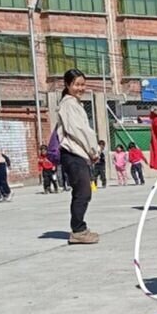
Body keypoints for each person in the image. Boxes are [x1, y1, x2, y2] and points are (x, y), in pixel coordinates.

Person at [56, 68, 100, 244]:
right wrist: (93, 150)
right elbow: (79, 131)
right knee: (82, 192)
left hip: (78, 154)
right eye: (76, 84)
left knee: (83, 192)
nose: (80, 88)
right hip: (73, 153)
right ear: (68, 85)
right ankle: (78, 230)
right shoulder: (69, 104)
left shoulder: (75, 103)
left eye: (83, 84)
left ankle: (79, 228)